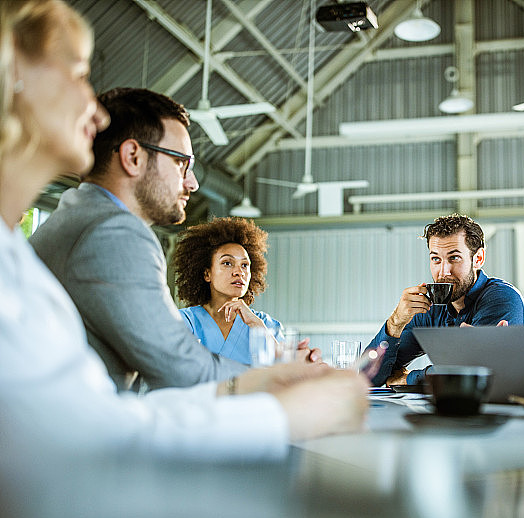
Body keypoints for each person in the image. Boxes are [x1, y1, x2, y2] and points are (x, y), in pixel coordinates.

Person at [0, 0, 368, 460]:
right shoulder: (111, 230)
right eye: (77, 75)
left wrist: (274, 381)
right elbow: (171, 376)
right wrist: (282, 410)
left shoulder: (43, 235)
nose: (94, 115)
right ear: (133, 157)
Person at [29, 86, 320, 391]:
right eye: (182, 163)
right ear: (133, 157)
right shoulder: (114, 232)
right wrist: (287, 376)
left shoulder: (79, 215)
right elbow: (180, 366)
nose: (192, 183)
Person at [368, 214, 524, 386]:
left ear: (478, 259)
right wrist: (396, 322)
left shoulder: (502, 299)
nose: (444, 271)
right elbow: (368, 377)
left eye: (454, 258)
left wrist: (408, 379)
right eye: (436, 259)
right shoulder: (432, 307)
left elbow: (472, 374)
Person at [173, 216, 288, 365]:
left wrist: (259, 328)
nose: (239, 272)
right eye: (227, 263)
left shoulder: (266, 325)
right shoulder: (185, 322)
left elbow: (289, 372)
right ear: (207, 274)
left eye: (245, 265)